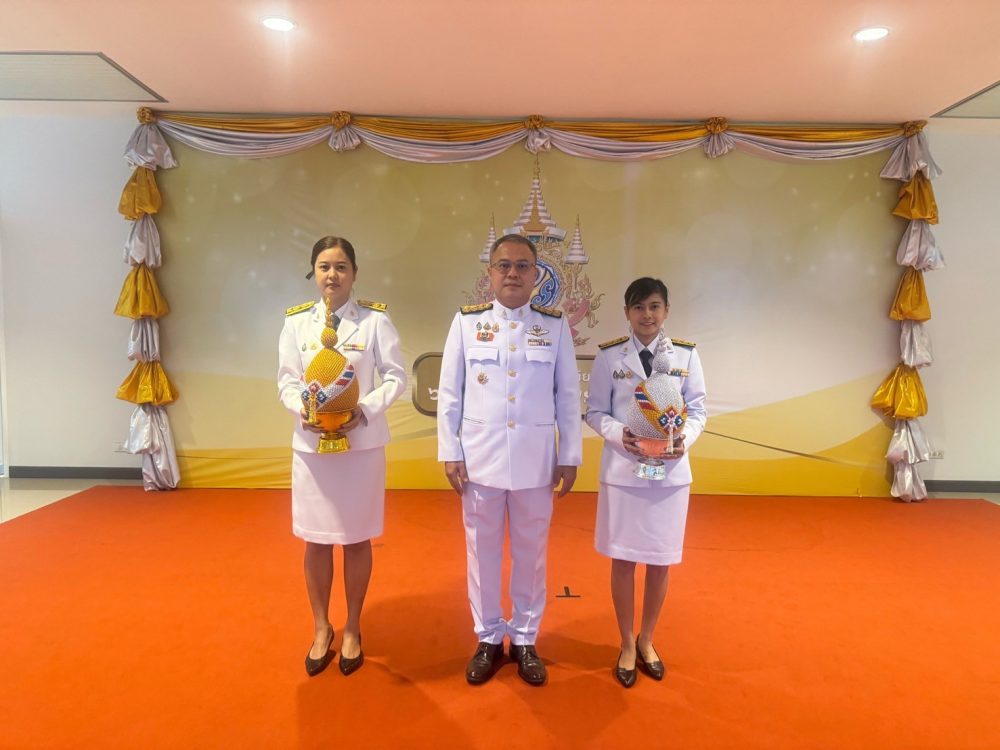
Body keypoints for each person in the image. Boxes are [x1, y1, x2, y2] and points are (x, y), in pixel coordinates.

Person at [437, 233, 583, 686]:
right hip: (479, 461)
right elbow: (450, 393)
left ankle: (524, 637)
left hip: (536, 463)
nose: (513, 273)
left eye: (522, 266)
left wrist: (569, 455)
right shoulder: (467, 323)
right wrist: (450, 450)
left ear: (537, 274)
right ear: (490, 273)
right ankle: (487, 637)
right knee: (481, 553)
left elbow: (567, 396)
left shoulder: (554, 326)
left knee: (531, 555)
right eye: (504, 265)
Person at [277, 235, 406, 677]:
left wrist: (363, 410)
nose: (332, 275)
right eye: (324, 266)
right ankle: (321, 627)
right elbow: (286, 380)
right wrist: (302, 409)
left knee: (356, 538)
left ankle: (352, 626)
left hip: (360, 447)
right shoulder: (296, 323)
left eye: (341, 267)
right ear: (314, 272)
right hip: (313, 447)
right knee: (315, 539)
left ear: (354, 273)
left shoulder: (374, 321)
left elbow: (396, 377)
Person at [584, 277, 707, 688]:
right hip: (624, 472)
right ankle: (625, 642)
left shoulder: (686, 355)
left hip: (670, 475)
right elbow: (595, 412)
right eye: (638, 307)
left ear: (666, 310)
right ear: (627, 312)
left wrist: (683, 440)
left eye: (654, 306)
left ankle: (647, 639)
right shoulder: (609, 357)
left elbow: (698, 411)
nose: (647, 315)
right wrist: (621, 435)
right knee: (623, 560)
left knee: (659, 560)